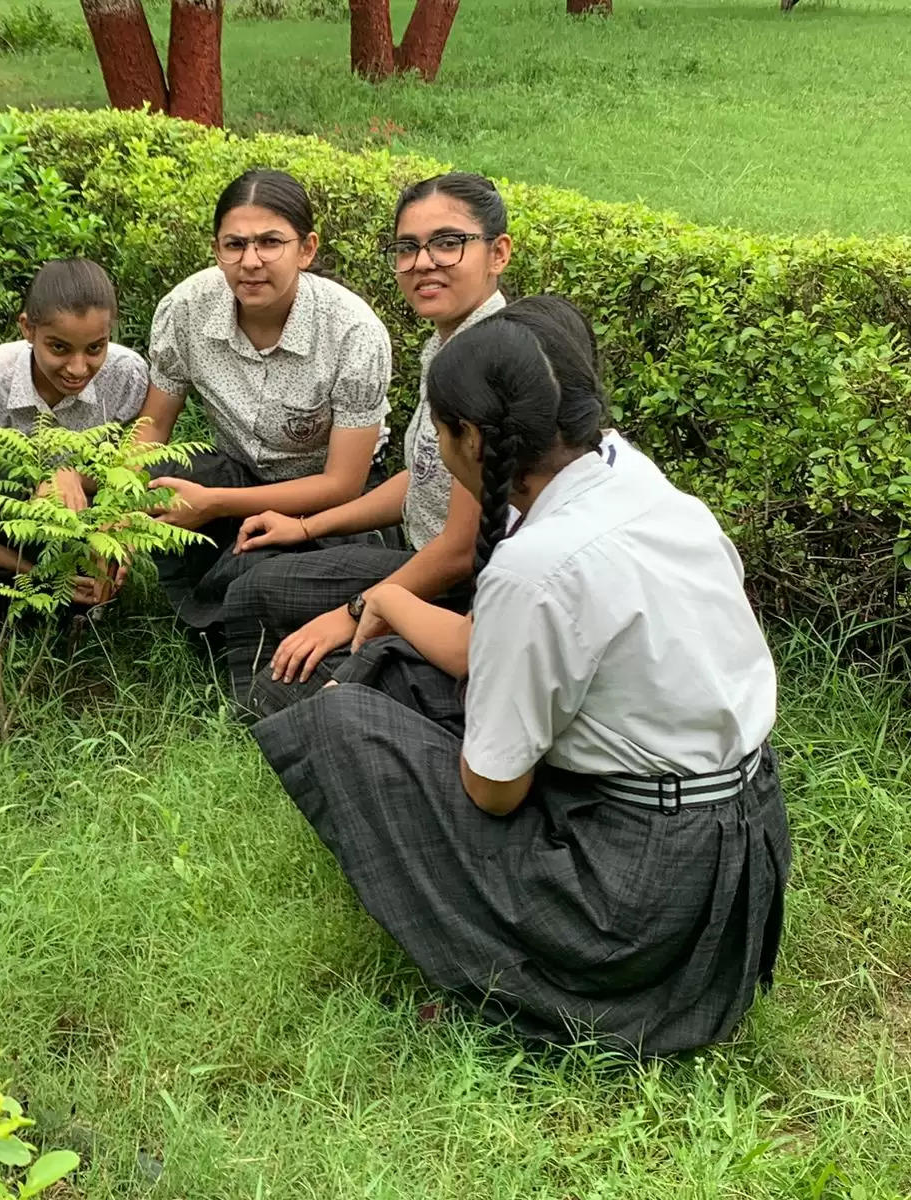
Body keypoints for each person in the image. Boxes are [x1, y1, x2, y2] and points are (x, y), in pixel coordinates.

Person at [251, 295, 790, 1056]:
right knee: (402, 669)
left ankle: (506, 983)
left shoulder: (535, 568)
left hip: (632, 898)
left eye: (440, 435)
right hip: (734, 839)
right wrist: (391, 601)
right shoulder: (630, 478)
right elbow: (484, 650)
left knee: (345, 725)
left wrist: (395, 733)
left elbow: (494, 791)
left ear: (471, 436)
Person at [223, 172, 510, 716]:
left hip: (463, 593)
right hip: (419, 559)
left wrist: (352, 612)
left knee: (287, 670)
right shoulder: (448, 344)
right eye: (408, 248)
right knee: (257, 582)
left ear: (498, 253)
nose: (424, 262)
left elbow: (458, 551)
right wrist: (306, 527)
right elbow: (423, 475)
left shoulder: (490, 364)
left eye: (448, 243)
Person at [134, 168, 393, 637]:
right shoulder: (185, 308)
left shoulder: (353, 333)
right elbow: (152, 431)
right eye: (234, 245)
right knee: (156, 483)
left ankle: (229, 607)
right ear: (216, 250)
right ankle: (223, 599)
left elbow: (343, 483)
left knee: (273, 576)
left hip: (324, 502)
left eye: (270, 242)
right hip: (235, 470)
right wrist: (114, 502)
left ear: (307, 249)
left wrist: (213, 504)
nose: (250, 261)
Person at [0, 258, 148, 607]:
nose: (78, 368)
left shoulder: (127, 376)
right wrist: (28, 570)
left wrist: (114, 539)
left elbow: (130, 475)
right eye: (58, 347)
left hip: (83, 528)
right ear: (27, 329)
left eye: (95, 348)